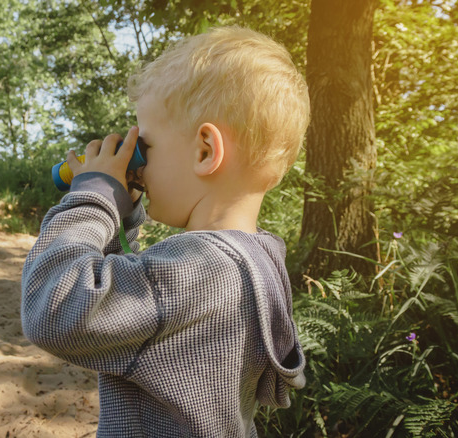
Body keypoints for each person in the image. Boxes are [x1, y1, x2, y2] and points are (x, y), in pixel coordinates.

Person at [21, 25, 309, 437]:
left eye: (146, 148)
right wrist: (121, 217)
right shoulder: (257, 261)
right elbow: (128, 300)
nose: (137, 165)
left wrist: (91, 197)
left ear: (205, 151)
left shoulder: (200, 270)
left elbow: (54, 306)